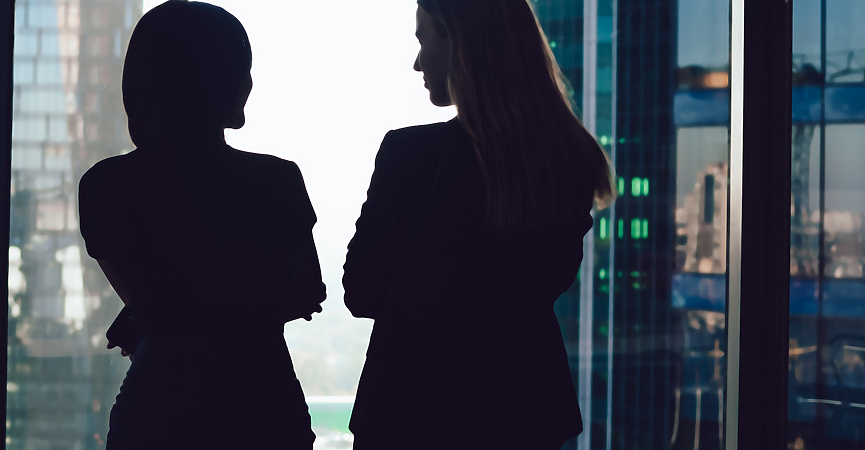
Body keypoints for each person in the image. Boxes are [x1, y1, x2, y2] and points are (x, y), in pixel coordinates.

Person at [342, 0, 615, 447]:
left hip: (411, 408)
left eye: (422, 39)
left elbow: (362, 289)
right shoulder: (569, 159)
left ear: (458, 40)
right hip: (524, 410)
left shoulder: (411, 155)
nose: (416, 62)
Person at [77, 1, 323, 448]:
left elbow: (154, 303)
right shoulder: (277, 180)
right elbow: (304, 292)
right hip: (263, 400)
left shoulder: (105, 186)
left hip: (157, 404)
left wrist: (152, 315)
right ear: (231, 82)